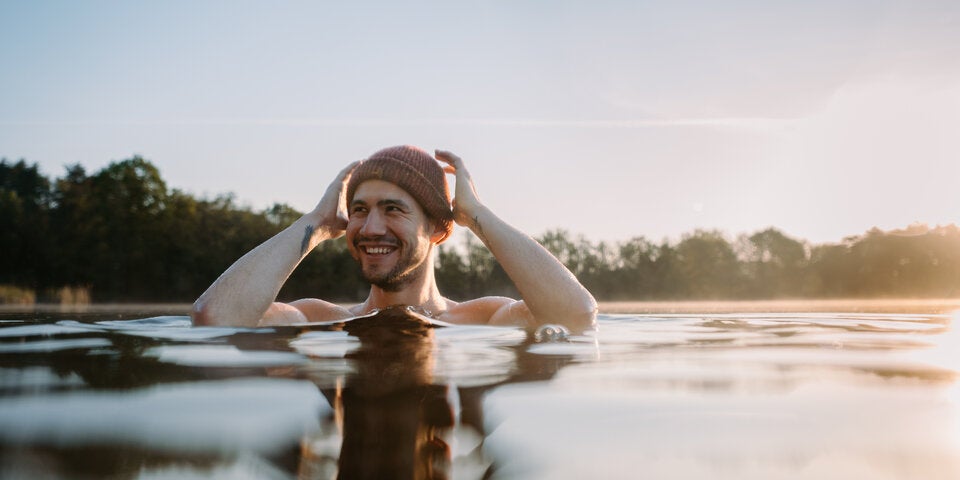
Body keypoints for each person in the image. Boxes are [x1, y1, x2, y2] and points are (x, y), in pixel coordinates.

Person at [191, 146, 597, 333]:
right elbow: (214, 318)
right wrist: (315, 223)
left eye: (393, 209)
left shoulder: (482, 320)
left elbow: (576, 314)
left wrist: (477, 216)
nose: (370, 229)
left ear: (438, 228)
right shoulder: (323, 319)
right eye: (361, 210)